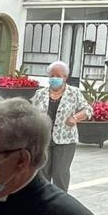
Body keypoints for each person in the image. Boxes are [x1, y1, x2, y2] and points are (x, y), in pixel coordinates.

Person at [31, 60, 92, 193]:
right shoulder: (40, 94)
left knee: (60, 173)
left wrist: (75, 118)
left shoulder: (74, 93)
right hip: (44, 139)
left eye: (58, 76)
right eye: (52, 75)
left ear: (65, 77)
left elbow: (88, 110)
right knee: (42, 173)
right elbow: (31, 112)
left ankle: (61, 201)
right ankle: (43, 201)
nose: (55, 78)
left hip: (65, 139)